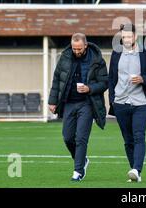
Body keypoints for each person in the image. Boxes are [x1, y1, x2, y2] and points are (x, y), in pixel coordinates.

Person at [48, 33, 108, 182]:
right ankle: (82, 160)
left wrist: (89, 88)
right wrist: (52, 101)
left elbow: (105, 83)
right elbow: (57, 79)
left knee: (81, 138)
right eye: (74, 48)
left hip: (87, 103)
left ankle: (78, 171)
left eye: (79, 48)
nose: (77, 51)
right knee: (68, 137)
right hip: (69, 103)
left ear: (86, 45)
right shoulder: (65, 57)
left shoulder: (97, 60)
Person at [108, 23, 146, 183]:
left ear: (135, 36)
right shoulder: (116, 53)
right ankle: (135, 172)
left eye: (128, 36)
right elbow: (112, 77)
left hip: (141, 104)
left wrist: (143, 79)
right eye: (123, 37)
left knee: (139, 136)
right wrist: (112, 98)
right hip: (120, 103)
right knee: (128, 140)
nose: (126, 39)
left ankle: (136, 169)